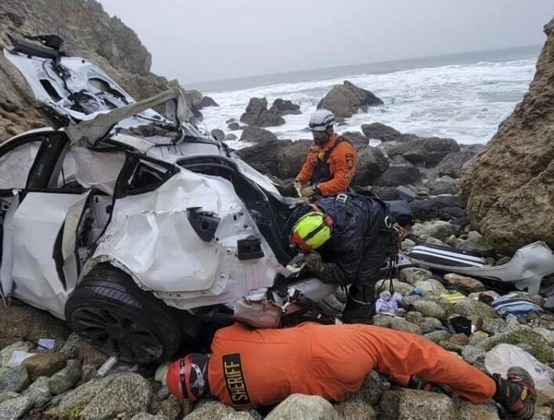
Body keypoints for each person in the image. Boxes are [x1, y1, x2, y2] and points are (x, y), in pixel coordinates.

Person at [165, 322, 536, 420]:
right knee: (416, 349)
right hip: (334, 349)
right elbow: (267, 318)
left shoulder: (235, 401)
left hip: (338, 389)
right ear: (196, 358)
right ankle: (504, 393)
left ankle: (414, 383)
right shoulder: (224, 339)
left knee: (383, 361)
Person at [285, 192, 396, 323]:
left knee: (363, 280)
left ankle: (356, 323)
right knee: (322, 259)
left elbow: (346, 275)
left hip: (378, 229)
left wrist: (321, 267)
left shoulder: (349, 240)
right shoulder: (304, 213)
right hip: (355, 213)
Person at [295, 109, 357, 198]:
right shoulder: (316, 146)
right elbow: (309, 166)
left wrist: (316, 189)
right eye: (314, 132)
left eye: (319, 133)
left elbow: (342, 182)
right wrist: (299, 180)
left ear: (330, 130)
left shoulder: (344, 150)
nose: (316, 136)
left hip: (337, 196)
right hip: (318, 191)